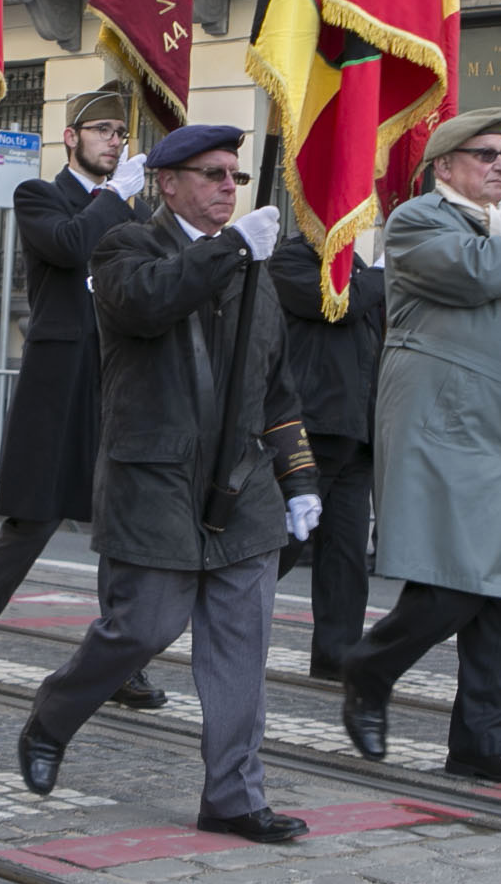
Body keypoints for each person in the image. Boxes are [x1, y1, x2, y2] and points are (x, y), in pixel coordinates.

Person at [16, 123, 317, 839]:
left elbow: (274, 384)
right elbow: (149, 301)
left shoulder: (251, 265)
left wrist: (298, 473)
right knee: (141, 626)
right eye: (211, 173)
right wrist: (234, 246)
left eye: (235, 176)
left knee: (241, 648)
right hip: (155, 482)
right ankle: (52, 717)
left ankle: (234, 796)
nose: (226, 187)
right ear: (168, 182)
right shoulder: (126, 245)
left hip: (242, 488)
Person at [339, 110, 501, 785]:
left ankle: (484, 739)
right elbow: (475, 273)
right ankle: (370, 666)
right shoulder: (419, 222)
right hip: (449, 436)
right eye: (484, 154)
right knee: (452, 588)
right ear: (443, 167)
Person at [0, 88, 165, 711]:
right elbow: (67, 246)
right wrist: (116, 197)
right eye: (101, 131)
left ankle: (117, 659)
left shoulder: (131, 207)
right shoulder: (40, 195)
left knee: (119, 519)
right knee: (35, 517)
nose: (114, 142)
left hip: (119, 370)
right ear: (71, 137)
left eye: (121, 134)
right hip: (59, 368)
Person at [269, 226, 383, 680]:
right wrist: (381, 276)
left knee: (347, 555)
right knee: (286, 544)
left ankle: (338, 655)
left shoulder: (355, 267)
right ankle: (215, 603)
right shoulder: (290, 262)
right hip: (311, 430)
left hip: (355, 433)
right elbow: (341, 304)